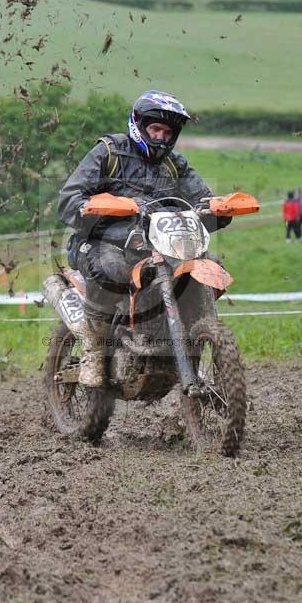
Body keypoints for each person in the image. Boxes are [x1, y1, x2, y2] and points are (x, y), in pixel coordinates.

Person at [58, 90, 233, 386]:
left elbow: (203, 199)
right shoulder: (109, 153)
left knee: (207, 262)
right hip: (102, 243)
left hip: (158, 246)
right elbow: (69, 199)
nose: (161, 137)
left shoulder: (175, 165)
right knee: (109, 267)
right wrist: (94, 206)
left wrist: (218, 208)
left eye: (168, 132)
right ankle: (95, 351)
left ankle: (199, 342)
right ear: (138, 126)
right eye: (155, 129)